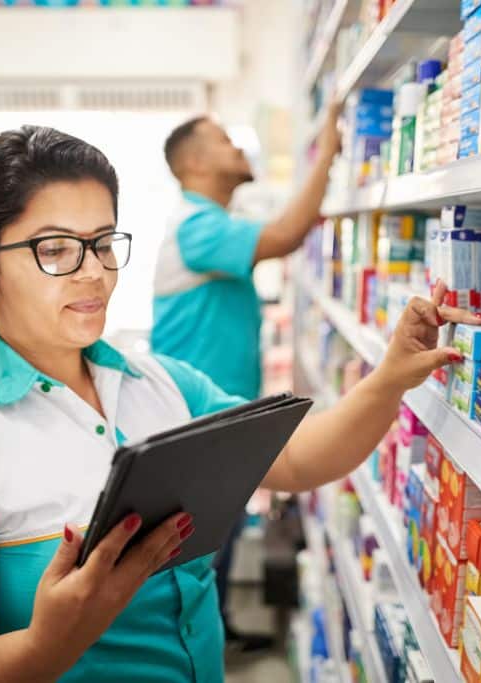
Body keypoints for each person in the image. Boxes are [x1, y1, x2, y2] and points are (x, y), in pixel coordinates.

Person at [0, 125, 481, 683]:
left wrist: (391, 376)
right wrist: (47, 645)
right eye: (55, 250)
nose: (94, 273)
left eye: (103, 242)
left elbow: (296, 460)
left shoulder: (165, 384)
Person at [151, 105, 345, 646]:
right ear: (193, 162)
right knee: (199, 543)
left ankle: (217, 629)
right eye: (223, 140)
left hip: (218, 416)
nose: (238, 147)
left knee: (220, 528)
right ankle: (192, 644)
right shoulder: (196, 228)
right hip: (194, 422)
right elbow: (285, 235)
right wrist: (328, 152)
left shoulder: (210, 225)